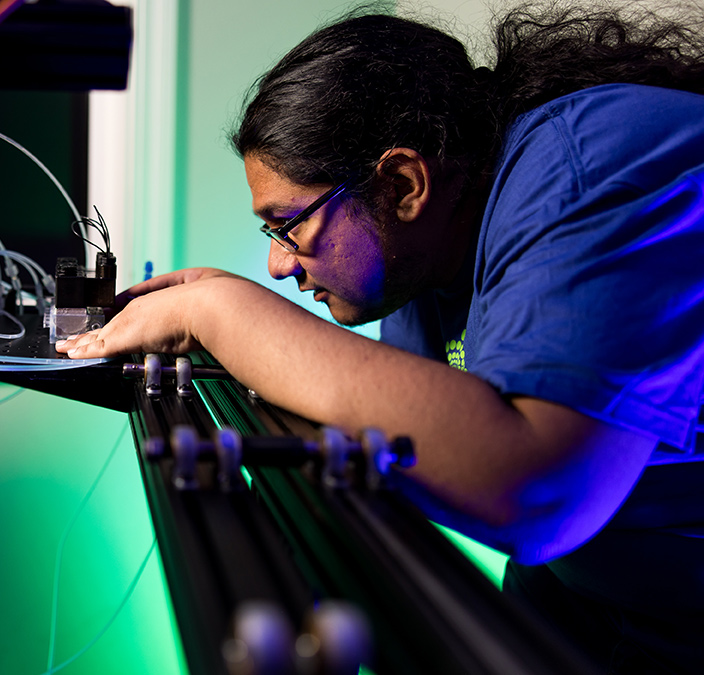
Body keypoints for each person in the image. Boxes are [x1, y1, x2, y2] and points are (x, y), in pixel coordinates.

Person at [56, 4, 704, 673]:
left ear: (401, 184)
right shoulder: (428, 268)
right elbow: (407, 417)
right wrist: (225, 317)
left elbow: (538, 494)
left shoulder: (586, 167)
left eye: (287, 225)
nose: (278, 264)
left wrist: (223, 311)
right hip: (594, 604)